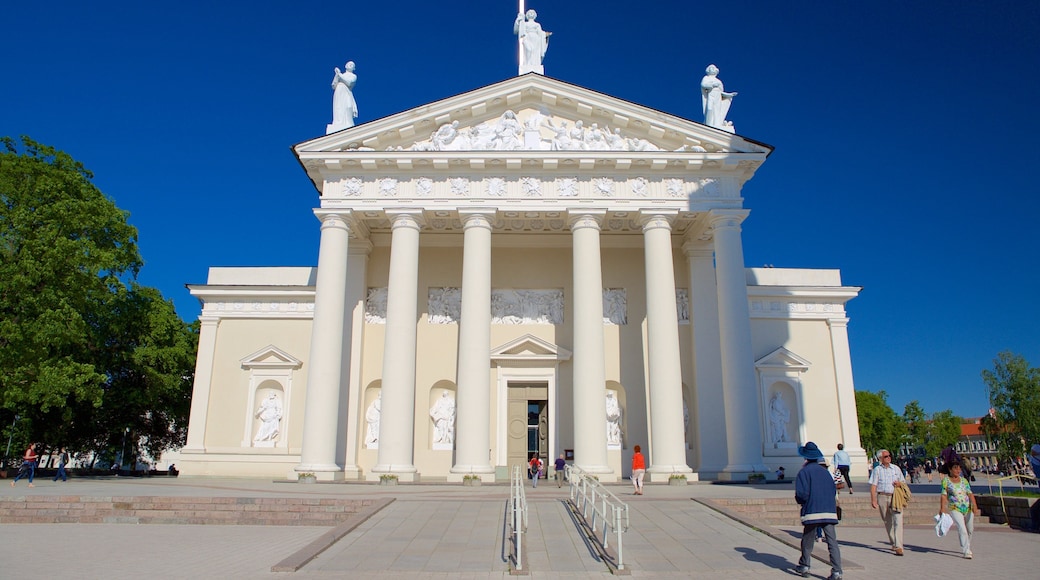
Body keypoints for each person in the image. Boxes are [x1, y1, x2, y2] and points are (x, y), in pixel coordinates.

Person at [793, 442, 842, 580]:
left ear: (805, 457)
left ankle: (805, 565)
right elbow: (833, 490)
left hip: (812, 510)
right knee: (832, 542)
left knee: (808, 540)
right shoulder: (825, 473)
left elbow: (802, 494)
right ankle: (837, 571)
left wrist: (802, 502)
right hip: (829, 510)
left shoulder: (804, 472)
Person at [869, 449, 907, 556]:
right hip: (882, 496)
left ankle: (899, 546)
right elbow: (873, 485)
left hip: (895, 497)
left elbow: (903, 482)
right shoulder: (877, 470)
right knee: (888, 521)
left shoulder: (896, 468)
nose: (889, 457)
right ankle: (894, 541)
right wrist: (873, 499)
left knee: (898, 521)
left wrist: (899, 484)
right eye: (886, 456)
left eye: (889, 455)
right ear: (880, 458)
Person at [939, 460, 979, 559]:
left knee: (970, 529)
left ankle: (967, 545)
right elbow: (944, 495)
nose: (958, 470)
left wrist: (974, 505)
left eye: (959, 468)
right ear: (950, 469)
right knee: (962, 528)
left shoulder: (964, 481)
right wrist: (942, 508)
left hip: (967, 507)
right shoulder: (946, 481)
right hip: (955, 508)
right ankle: (966, 551)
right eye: (955, 468)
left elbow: (970, 493)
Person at [700, 64, 737, 131]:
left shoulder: (719, 81)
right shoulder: (706, 78)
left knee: (717, 110)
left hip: (718, 96)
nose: (712, 69)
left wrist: (729, 95)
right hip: (711, 94)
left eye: (714, 68)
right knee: (709, 108)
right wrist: (712, 85)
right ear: (708, 70)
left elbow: (721, 92)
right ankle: (708, 124)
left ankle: (717, 124)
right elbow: (703, 85)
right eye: (711, 68)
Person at [326, 61, 358, 134]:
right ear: (346, 66)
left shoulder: (353, 76)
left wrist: (339, 75)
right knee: (338, 107)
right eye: (349, 64)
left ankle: (347, 123)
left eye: (352, 65)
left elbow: (349, 83)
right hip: (338, 91)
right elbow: (333, 85)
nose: (351, 66)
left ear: (354, 68)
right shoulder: (340, 75)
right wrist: (337, 75)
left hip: (346, 92)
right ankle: (338, 122)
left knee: (347, 107)